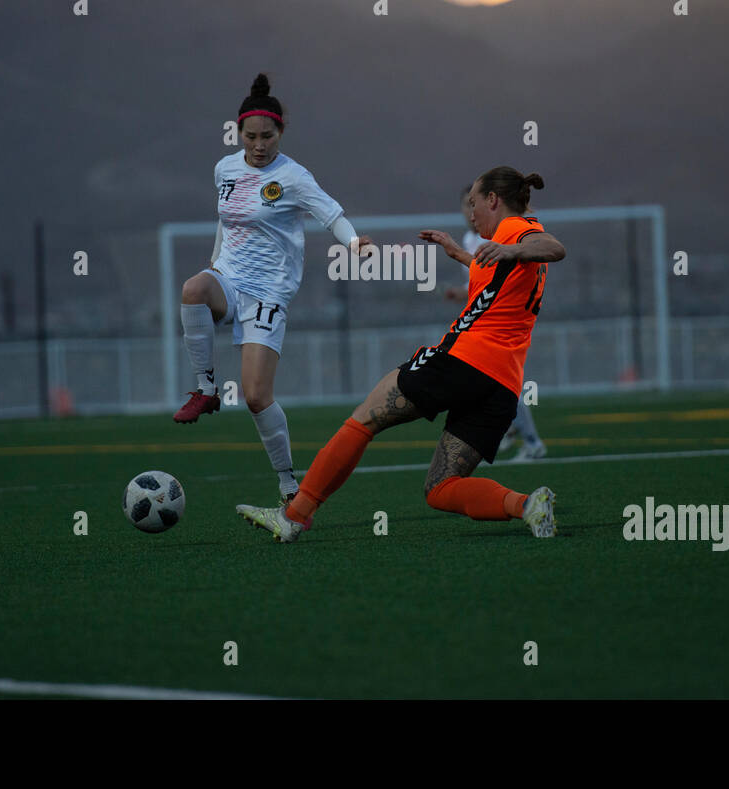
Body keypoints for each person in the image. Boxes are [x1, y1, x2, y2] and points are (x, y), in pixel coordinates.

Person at [237, 166, 564, 541]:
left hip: (462, 362)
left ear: (494, 200)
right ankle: (526, 505)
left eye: (474, 203)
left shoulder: (516, 231)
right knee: (441, 488)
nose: (471, 214)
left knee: (363, 420)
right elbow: (500, 278)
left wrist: (513, 246)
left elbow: (554, 247)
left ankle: (294, 516)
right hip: (503, 384)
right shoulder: (507, 250)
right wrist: (459, 254)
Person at [174, 73, 373, 506]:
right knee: (192, 289)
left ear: (281, 132)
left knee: (256, 396)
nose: (259, 145)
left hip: (268, 292)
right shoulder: (224, 168)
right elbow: (225, 220)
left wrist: (354, 242)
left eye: (267, 136)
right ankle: (206, 390)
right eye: (250, 136)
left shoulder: (294, 177)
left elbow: (331, 213)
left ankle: (287, 482)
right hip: (228, 276)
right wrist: (215, 259)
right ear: (238, 133)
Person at [437, 184, 548, 462]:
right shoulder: (469, 238)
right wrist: (460, 292)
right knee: (492, 382)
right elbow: (482, 282)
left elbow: (501, 279)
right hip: (485, 323)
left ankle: (531, 442)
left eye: (473, 204)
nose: (469, 211)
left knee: (504, 383)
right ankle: (509, 430)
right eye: (465, 205)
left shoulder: (498, 236)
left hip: (504, 323)